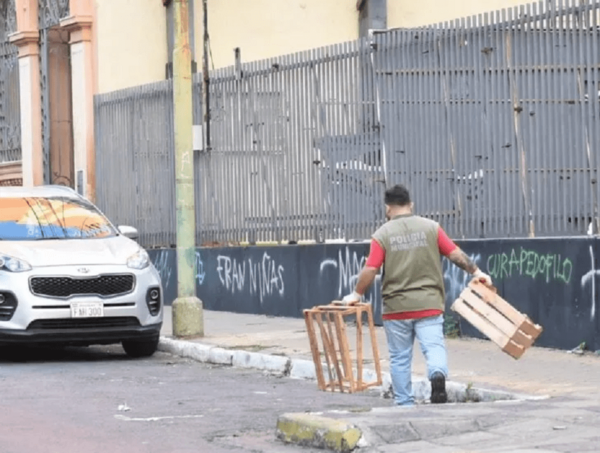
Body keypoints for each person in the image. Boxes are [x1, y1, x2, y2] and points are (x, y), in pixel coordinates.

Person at [342, 184, 492, 406]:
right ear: (410, 204)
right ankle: (437, 374)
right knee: (433, 347)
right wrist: (478, 272)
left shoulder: (382, 234)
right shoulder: (431, 228)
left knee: (400, 358)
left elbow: (371, 268)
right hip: (429, 304)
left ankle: (404, 403)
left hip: (396, 308)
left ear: (387, 208)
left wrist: (356, 293)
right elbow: (454, 254)